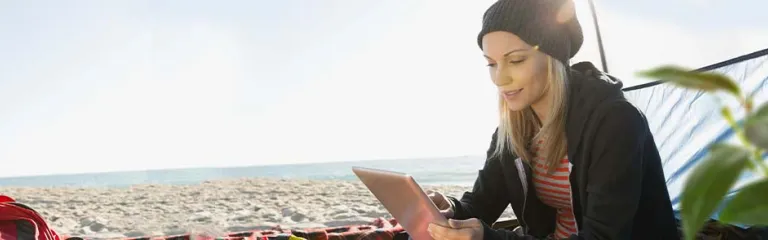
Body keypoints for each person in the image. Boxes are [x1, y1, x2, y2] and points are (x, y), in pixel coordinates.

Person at [425, 0, 679, 239]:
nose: (499, 79)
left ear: (553, 58)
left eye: (516, 60)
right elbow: (482, 205)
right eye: (491, 64)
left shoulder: (616, 122)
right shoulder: (512, 131)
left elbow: (603, 236)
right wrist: (451, 211)